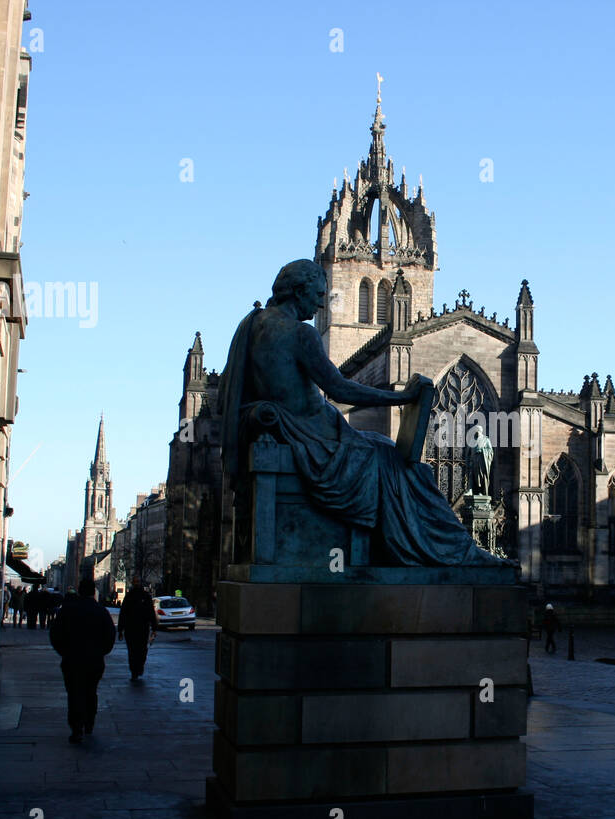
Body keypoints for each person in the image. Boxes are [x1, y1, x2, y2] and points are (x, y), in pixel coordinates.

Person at [217, 259, 508, 567]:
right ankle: (453, 551)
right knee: (407, 469)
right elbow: (341, 390)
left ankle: (451, 549)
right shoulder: (300, 334)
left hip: (305, 431)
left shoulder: (253, 325)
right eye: (318, 294)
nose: (320, 305)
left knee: (386, 450)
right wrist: (402, 398)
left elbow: (232, 390)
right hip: (317, 437)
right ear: (299, 291)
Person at [49, 578, 116, 744]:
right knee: (90, 691)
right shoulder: (101, 611)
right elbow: (110, 636)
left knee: (74, 693)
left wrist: (64, 652)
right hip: (94, 660)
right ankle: (89, 722)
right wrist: (101, 652)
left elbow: (55, 634)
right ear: (94, 592)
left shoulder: (68, 610)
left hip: (72, 659)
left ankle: (76, 728)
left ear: (79, 591)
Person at [118, 575, 158, 682]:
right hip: (131, 628)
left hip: (142, 628)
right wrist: (120, 629)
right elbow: (123, 613)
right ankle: (134, 671)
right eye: (135, 581)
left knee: (141, 650)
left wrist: (154, 628)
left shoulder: (145, 596)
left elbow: (151, 613)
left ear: (140, 583)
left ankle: (139, 667)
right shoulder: (129, 596)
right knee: (132, 651)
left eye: (138, 581)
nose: (136, 583)